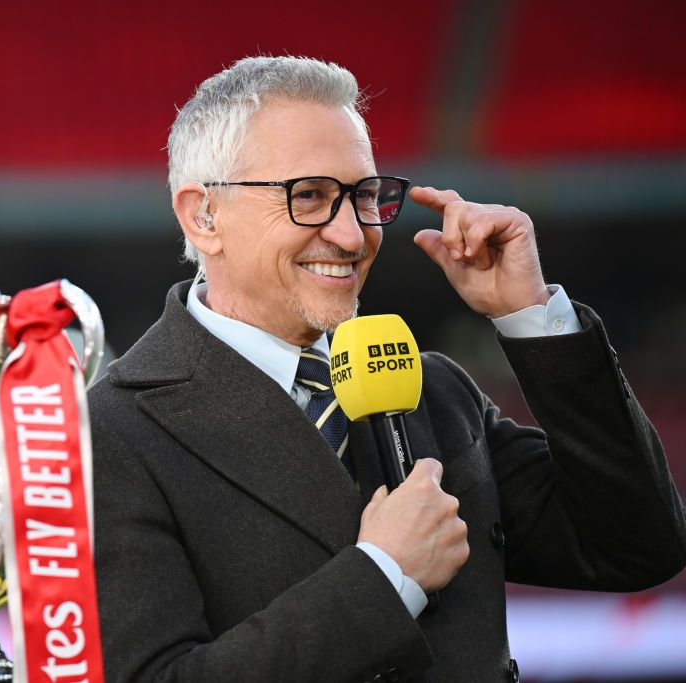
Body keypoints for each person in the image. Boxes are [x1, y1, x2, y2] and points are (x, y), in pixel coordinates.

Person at [87, 56, 686, 682]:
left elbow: (636, 547)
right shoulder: (111, 433)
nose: (352, 236)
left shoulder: (435, 391)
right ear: (202, 215)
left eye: (365, 196)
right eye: (311, 196)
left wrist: (532, 317)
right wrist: (384, 577)